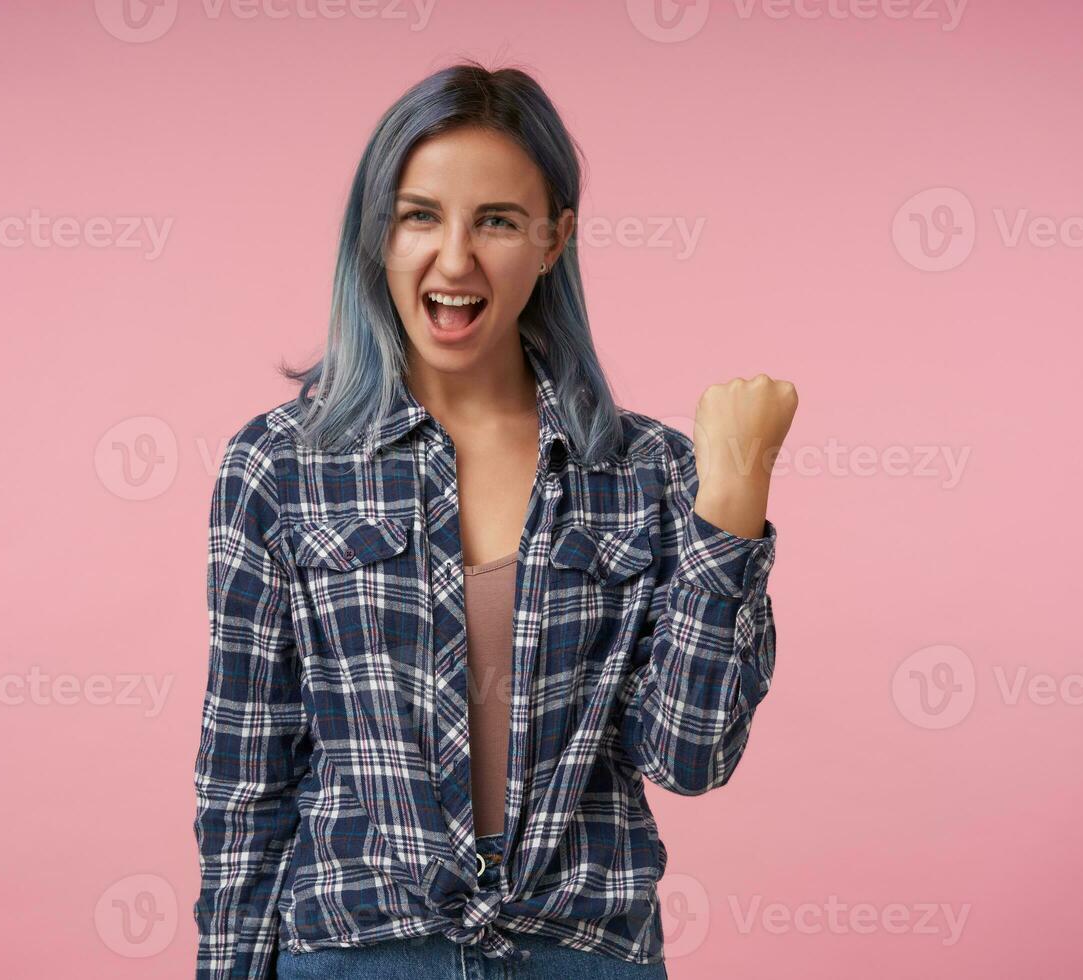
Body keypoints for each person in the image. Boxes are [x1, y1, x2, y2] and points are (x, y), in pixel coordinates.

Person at [194, 60, 798, 980]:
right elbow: (245, 777)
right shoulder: (280, 467)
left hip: (580, 954)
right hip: (361, 955)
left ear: (555, 239)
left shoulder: (652, 472)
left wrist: (736, 492)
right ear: (378, 236)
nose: (455, 259)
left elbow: (690, 753)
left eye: (499, 222)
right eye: (421, 215)